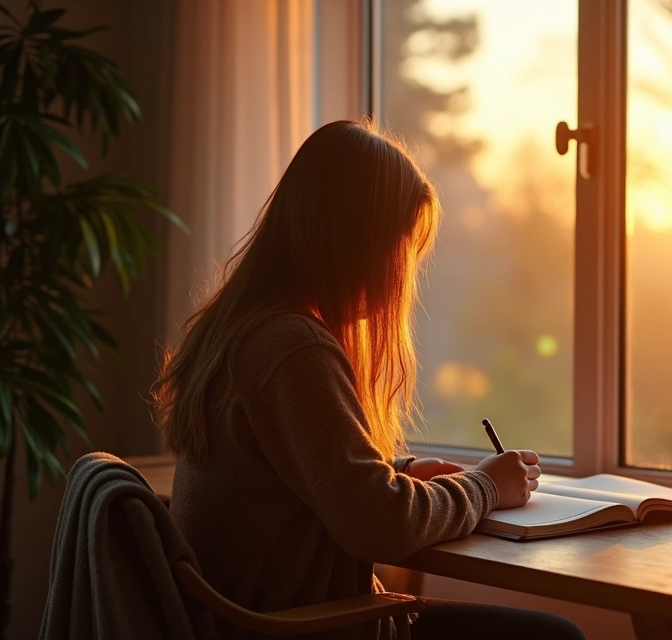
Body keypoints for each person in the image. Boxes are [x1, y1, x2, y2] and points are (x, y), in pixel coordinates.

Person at [151, 119, 584, 640]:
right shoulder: (292, 346)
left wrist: (399, 472)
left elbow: (294, 476)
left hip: (261, 625)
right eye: (399, 246)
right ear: (354, 242)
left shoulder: (242, 331)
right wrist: (486, 486)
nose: (403, 271)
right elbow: (378, 525)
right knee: (555, 637)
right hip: (299, 631)